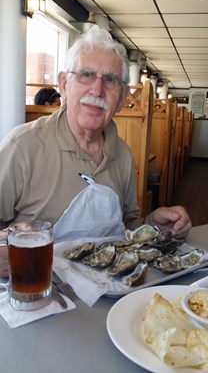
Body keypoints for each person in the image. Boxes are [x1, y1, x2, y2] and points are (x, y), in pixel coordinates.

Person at [0, 25, 191, 277]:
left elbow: (124, 226)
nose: (97, 90)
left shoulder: (122, 154)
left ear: (122, 97)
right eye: (86, 74)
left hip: (110, 292)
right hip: (38, 295)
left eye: (110, 79)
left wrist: (151, 224)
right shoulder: (21, 146)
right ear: (64, 85)